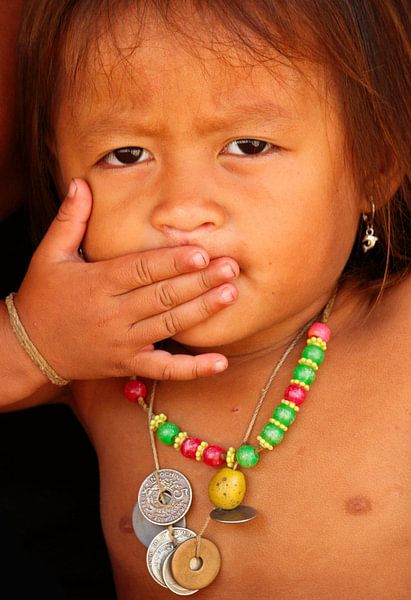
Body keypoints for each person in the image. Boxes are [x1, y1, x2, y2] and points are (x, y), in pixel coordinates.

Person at [12, 0, 410, 598]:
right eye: (126, 155)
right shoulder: (95, 367)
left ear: (374, 161)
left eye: (249, 146)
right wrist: (30, 341)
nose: (182, 208)